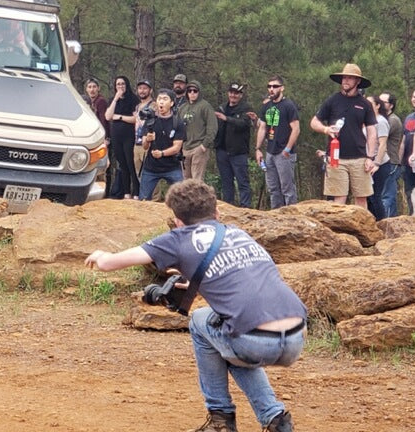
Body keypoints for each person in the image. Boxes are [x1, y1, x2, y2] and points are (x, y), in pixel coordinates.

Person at [84, 179, 305, 432]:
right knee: (225, 345)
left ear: (178, 221)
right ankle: (275, 419)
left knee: (200, 322)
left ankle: (220, 419)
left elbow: (111, 263)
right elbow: (242, 275)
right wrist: (196, 280)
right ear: (217, 212)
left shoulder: (178, 238)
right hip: (296, 336)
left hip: (254, 341)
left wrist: (102, 257)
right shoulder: (238, 232)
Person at [309, 64, 377, 209]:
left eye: (350, 78)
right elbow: (314, 122)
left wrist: (371, 157)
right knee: (339, 200)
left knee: (361, 199)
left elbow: (372, 131)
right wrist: (326, 129)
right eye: (344, 77)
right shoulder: (333, 100)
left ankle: (361, 230)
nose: (345, 81)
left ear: (357, 81)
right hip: (335, 158)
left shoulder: (365, 104)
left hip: (359, 158)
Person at [255, 75, 300, 208]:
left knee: (287, 189)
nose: (271, 89)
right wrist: (258, 149)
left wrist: (287, 148)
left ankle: (292, 217)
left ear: (282, 88)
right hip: (270, 151)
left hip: (284, 152)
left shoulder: (288, 105)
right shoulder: (266, 106)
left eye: (275, 86)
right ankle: (276, 216)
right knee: (273, 189)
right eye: (269, 86)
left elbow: (296, 129)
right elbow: (262, 127)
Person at [215, 82, 257, 208]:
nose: (233, 95)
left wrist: (227, 119)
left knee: (242, 182)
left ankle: (246, 207)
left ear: (240, 95)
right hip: (222, 151)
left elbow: (243, 124)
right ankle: (228, 207)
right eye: (231, 92)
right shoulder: (221, 108)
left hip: (238, 152)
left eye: (236, 93)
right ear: (228, 93)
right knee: (226, 182)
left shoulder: (246, 109)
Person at [138, 89, 184, 201]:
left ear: (172, 103)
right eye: (159, 99)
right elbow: (144, 146)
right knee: (143, 200)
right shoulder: (150, 120)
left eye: (165, 99)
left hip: (172, 167)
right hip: (151, 167)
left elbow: (177, 147)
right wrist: (148, 140)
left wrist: (162, 153)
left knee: (182, 198)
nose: (161, 102)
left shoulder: (178, 122)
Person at [105, 76, 140, 199]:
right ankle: (126, 192)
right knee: (122, 164)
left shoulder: (133, 99)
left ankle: (136, 191)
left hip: (129, 136)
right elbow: (108, 116)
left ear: (127, 85)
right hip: (116, 136)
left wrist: (119, 117)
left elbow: (135, 119)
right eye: (118, 84)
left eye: (123, 84)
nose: (120, 86)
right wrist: (115, 99)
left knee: (131, 163)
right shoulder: (112, 100)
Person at [176, 81, 217, 183]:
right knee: (185, 180)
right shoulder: (182, 108)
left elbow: (212, 126)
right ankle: (187, 199)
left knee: (197, 180)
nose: (192, 93)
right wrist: (178, 146)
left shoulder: (205, 106)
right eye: (190, 91)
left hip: (199, 147)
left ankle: (198, 199)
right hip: (185, 148)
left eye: (195, 91)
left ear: (199, 92)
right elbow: (177, 127)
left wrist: (205, 145)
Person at [375, 92, 403, 218]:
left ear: (391, 105)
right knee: (380, 194)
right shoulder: (381, 119)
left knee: (387, 196)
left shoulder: (392, 120)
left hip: (390, 162)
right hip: (382, 161)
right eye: (379, 101)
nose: (380, 104)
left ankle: (387, 224)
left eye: (384, 102)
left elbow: (377, 136)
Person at [84, 79, 113, 196]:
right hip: (91, 138)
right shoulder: (87, 102)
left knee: (103, 167)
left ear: (98, 88)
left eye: (94, 87)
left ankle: (104, 193)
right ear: (86, 89)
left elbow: (103, 121)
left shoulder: (101, 101)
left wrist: (105, 138)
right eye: (89, 87)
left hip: (101, 138)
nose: (92, 89)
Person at [365, 95, 391, 219]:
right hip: (368, 163)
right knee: (368, 197)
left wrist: (377, 163)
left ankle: (382, 223)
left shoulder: (381, 121)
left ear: (378, 105)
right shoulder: (367, 121)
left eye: (370, 103)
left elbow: (383, 145)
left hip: (380, 164)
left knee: (376, 196)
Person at [132, 79, 154, 190]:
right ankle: (145, 197)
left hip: (148, 144)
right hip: (136, 143)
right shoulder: (137, 106)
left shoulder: (154, 105)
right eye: (140, 88)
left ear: (150, 90)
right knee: (139, 173)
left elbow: (152, 123)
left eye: (145, 88)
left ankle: (155, 199)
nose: (142, 91)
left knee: (151, 173)